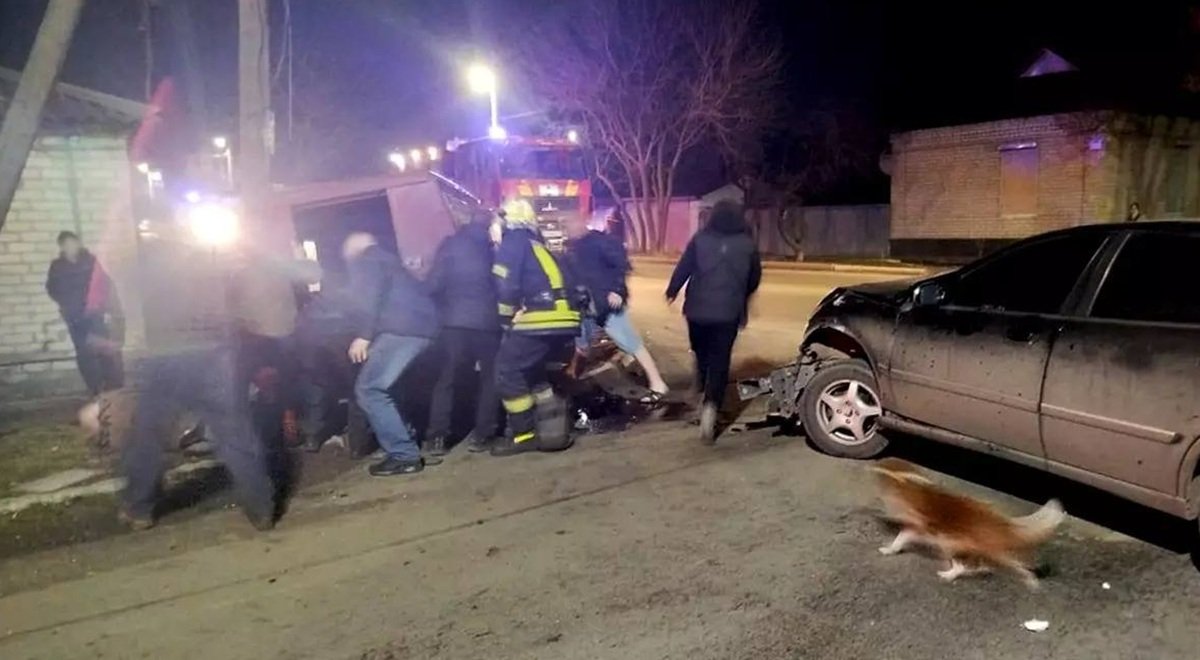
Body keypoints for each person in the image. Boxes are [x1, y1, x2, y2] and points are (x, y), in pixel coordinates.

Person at [120, 226, 275, 531]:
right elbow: (239, 304)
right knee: (235, 432)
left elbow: (127, 313)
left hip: (168, 355)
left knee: (148, 434)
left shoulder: (147, 265)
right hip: (216, 355)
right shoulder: (211, 262)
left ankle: (139, 508)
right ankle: (261, 508)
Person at [343, 232, 440, 476]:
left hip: (401, 330)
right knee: (389, 388)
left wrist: (364, 336)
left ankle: (404, 455)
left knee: (370, 389)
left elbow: (370, 296)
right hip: (423, 329)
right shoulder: (389, 259)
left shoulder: (367, 262)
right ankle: (406, 443)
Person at [665, 201, 762, 444]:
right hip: (728, 313)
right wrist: (741, 293)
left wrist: (672, 290)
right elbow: (754, 278)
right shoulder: (748, 244)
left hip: (697, 311)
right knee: (720, 362)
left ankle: (700, 386)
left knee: (701, 352)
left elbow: (685, 266)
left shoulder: (700, 239)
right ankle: (710, 408)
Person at [491, 200, 582, 456]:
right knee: (531, 370)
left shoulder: (513, 242)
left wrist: (506, 320)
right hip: (566, 319)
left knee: (506, 369)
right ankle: (550, 425)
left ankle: (524, 435)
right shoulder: (537, 245)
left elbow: (504, 284)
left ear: (506, 221)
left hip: (544, 318)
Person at [424, 211, 503, 455]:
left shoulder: (450, 245)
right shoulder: (494, 249)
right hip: (488, 323)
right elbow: (504, 284)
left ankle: (437, 438)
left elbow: (433, 284)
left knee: (447, 379)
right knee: (490, 378)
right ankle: (483, 435)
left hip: (453, 323)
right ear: (489, 226)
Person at [570, 209, 669, 401]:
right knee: (581, 342)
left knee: (630, 341)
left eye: (572, 223)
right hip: (588, 305)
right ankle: (574, 378)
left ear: (583, 223)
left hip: (607, 305)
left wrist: (617, 290)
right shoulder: (575, 247)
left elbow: (621, 265)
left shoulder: (598, 241)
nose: (569, 227)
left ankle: (658, 383)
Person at [45, 231, 124, 396]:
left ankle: (113, 386)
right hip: (74, 317)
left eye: (73, 243)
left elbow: (105, 283)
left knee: (104, 349)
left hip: (94, 314)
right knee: (84, 353)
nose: (71, 247)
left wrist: (103, 305)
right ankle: (94, 388)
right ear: (61, 247)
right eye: (66, 244)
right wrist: (67, 302)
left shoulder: (90, 261)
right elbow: (52, 288)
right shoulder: (57, 266)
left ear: (79, 243)